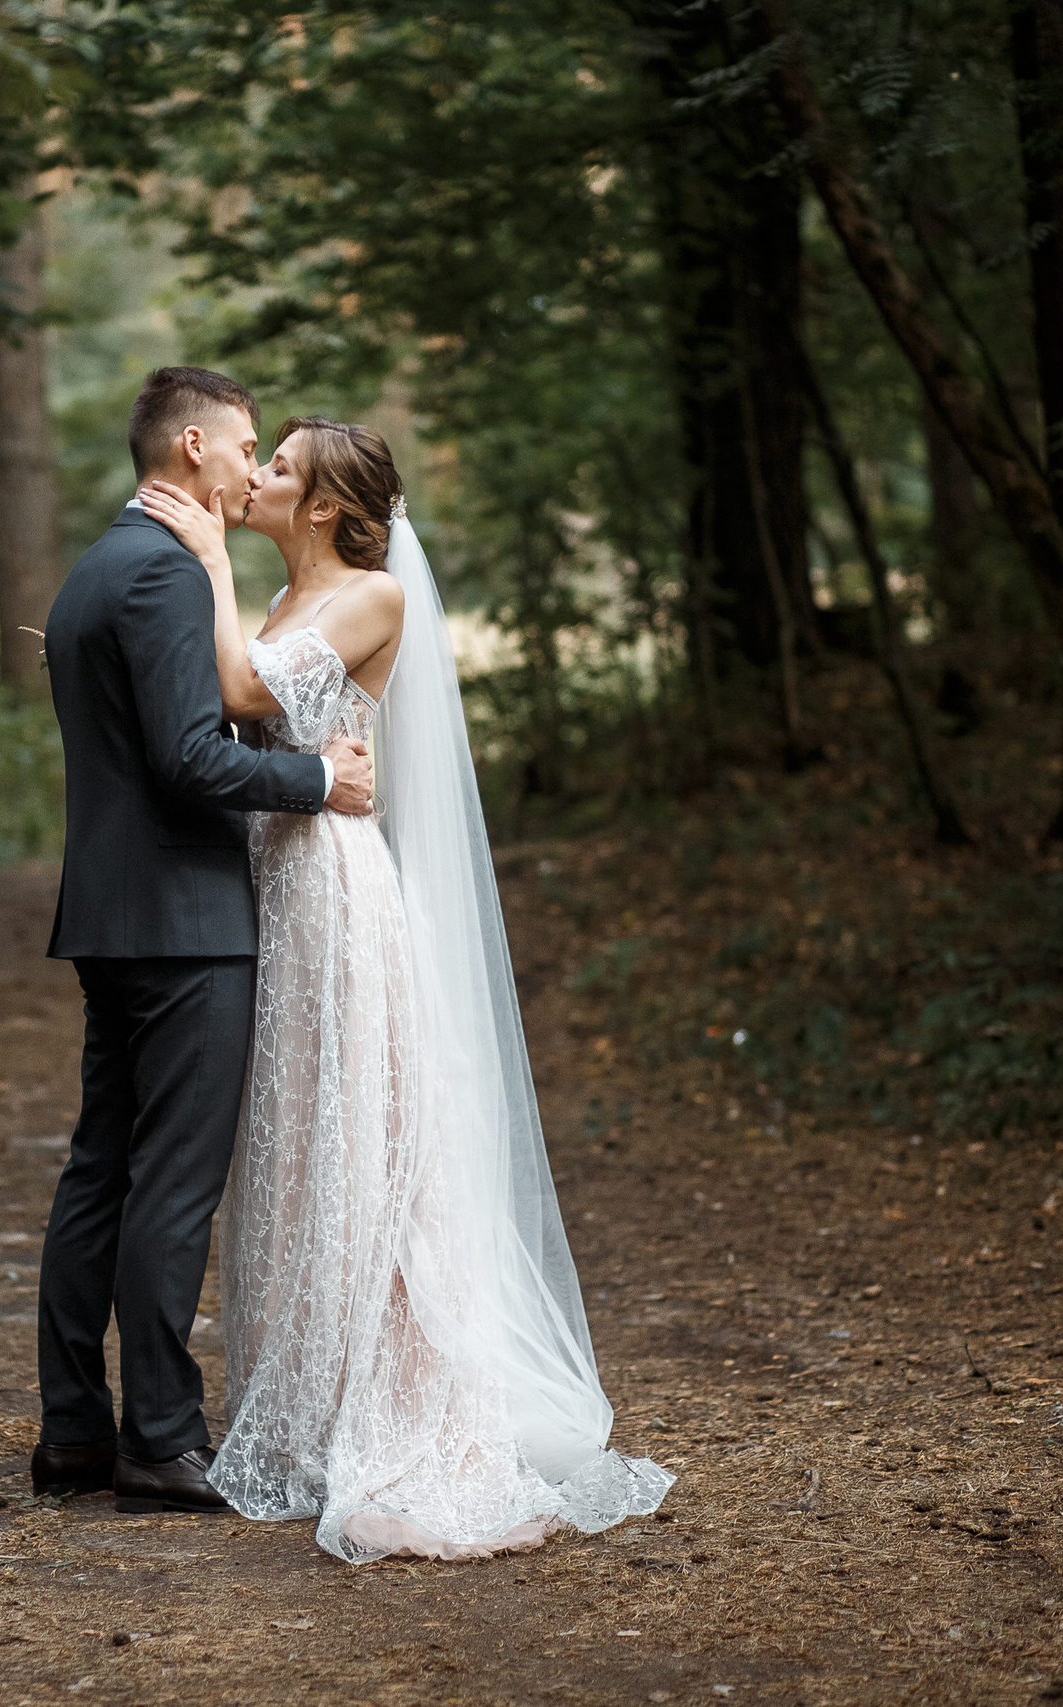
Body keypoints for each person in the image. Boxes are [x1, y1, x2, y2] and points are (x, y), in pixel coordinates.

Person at [133, 418, 674, 1561]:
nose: (256, 478)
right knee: (294, 1141)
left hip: (334, 893)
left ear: (326, 505)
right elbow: (228, 705)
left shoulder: (372, 597)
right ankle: (315, 1393)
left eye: (278, 468)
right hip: (270, 885)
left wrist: (207, 564)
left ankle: (396, 1409)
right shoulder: (285, 603)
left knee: (362, 1140)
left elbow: (235, 690)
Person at [32, 368, 377, 1515]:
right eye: (241, 449)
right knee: (172, 1187)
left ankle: (76, 1431)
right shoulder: (169, 573)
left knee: (100, 1175)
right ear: (192, 446)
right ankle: (161, 1436)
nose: (246, 469)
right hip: (185, 925)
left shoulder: (96, 568)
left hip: (110, 914)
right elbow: (191, 757)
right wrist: (316, 777)